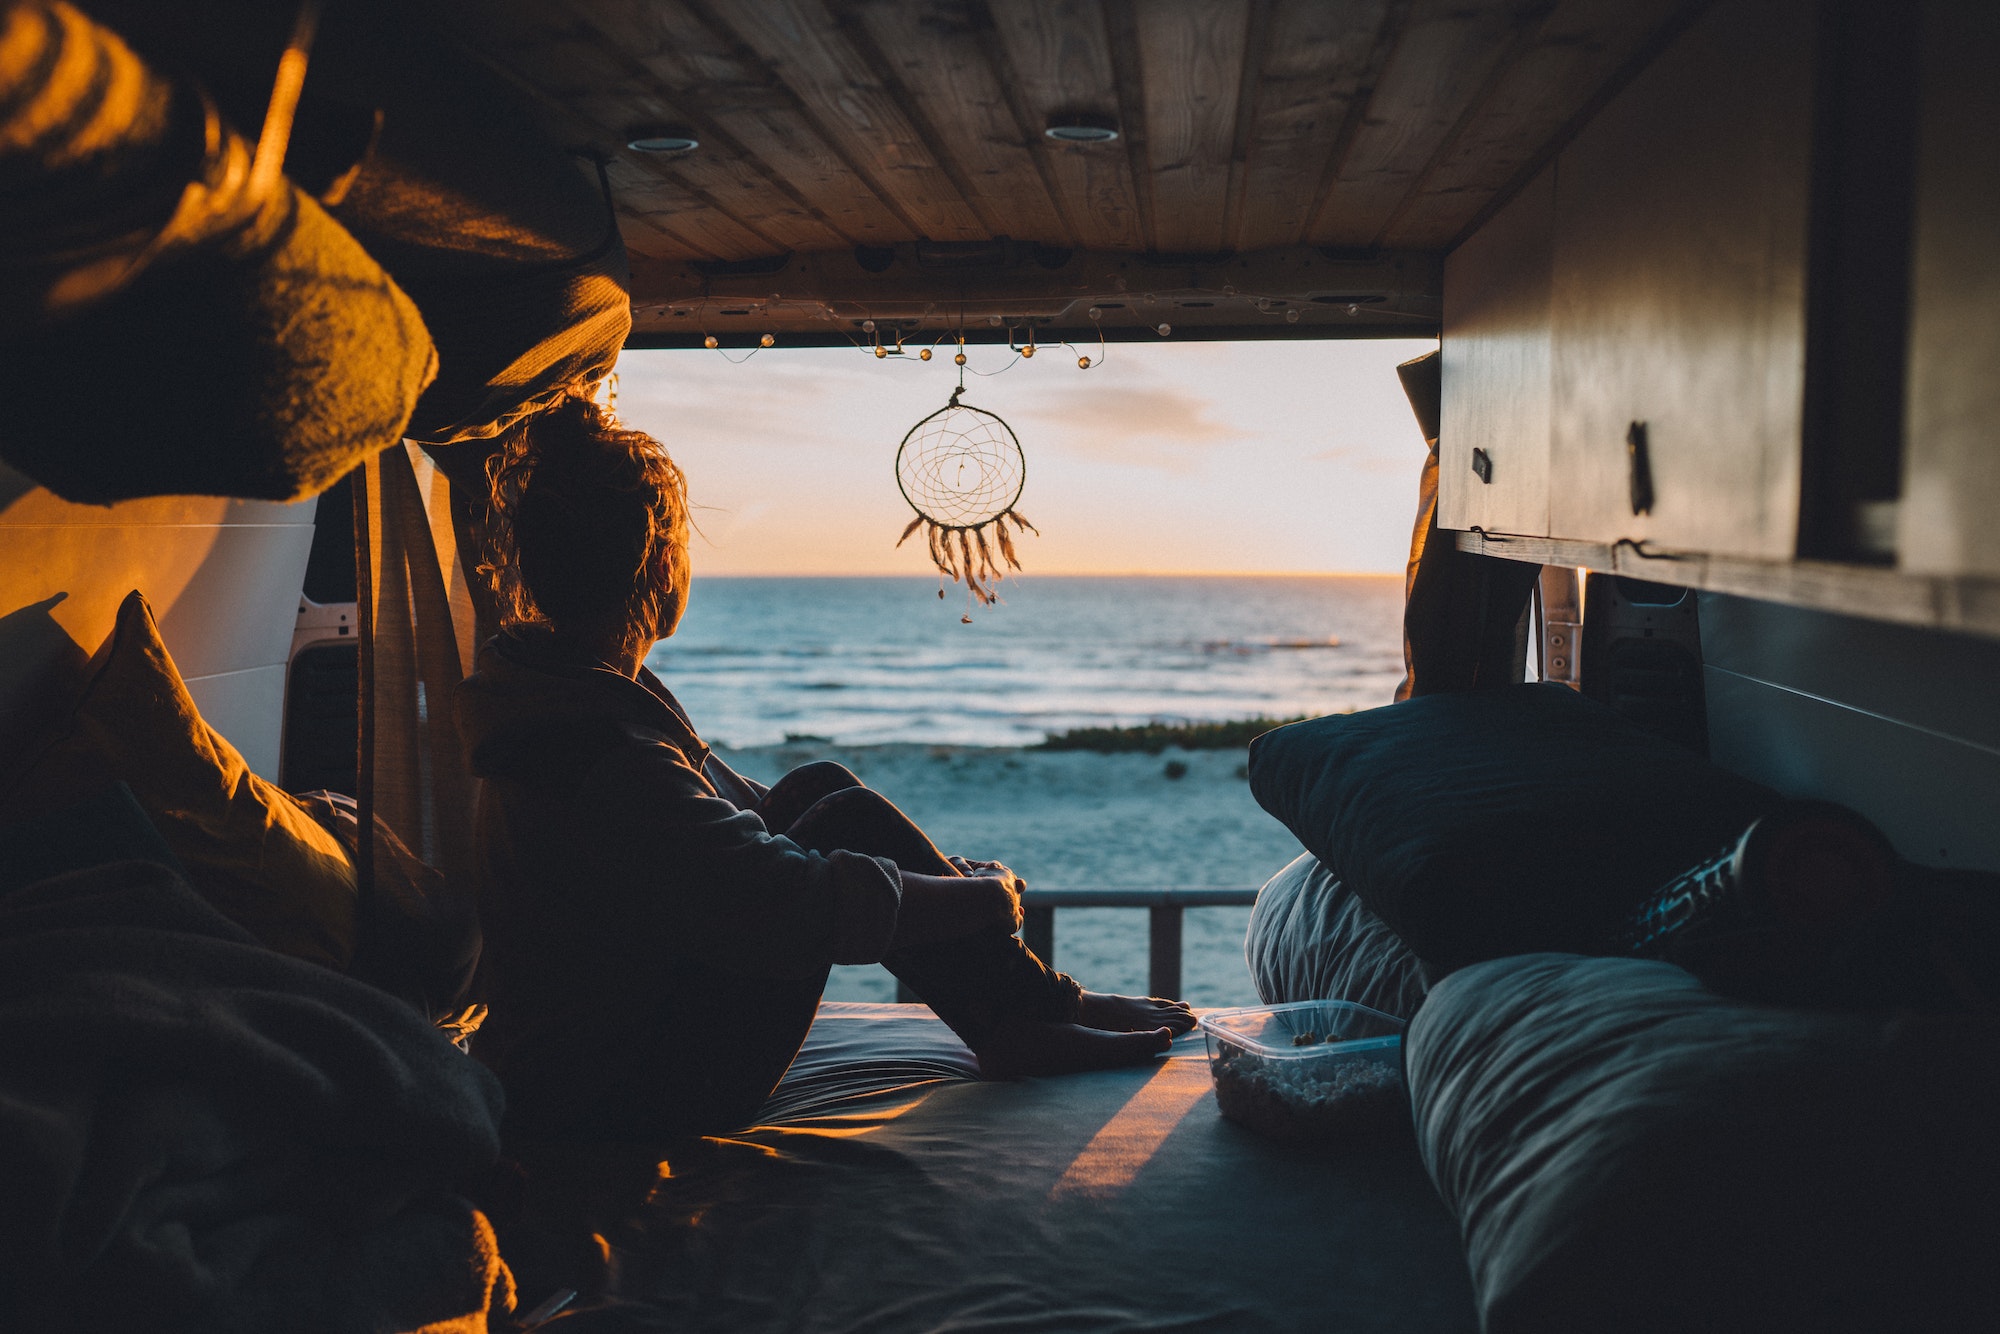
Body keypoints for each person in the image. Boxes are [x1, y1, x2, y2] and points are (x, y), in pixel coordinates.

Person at [453, 392, 1194, 1140]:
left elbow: (744, 822)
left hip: (601, 1054)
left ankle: (1039, 1011)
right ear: (656, 563)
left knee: (821, 789)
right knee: (840, 818)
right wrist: (984, 901)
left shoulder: (566, 700)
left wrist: (935, 878)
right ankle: (1029, 1018)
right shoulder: (604, 756)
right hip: (615, 1096)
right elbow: (796, 903)